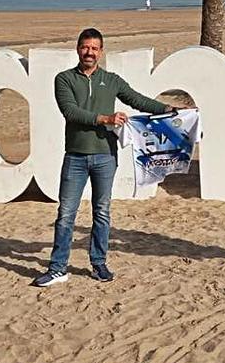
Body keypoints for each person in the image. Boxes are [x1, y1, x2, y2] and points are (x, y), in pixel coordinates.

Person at [32, 28, 182, 287]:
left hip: (105, 156)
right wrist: (106, 118)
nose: (89, 52)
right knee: (66, 213)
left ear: (101, 52)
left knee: (101, 211)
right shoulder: (64, 79)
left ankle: (98, 263)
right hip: (76, 157)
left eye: (94, 48)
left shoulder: (111, 80)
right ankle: (58, 268)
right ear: (78, 49)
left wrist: (169, 109)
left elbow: (138, 100)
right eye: (85, 47)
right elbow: (71, 112)